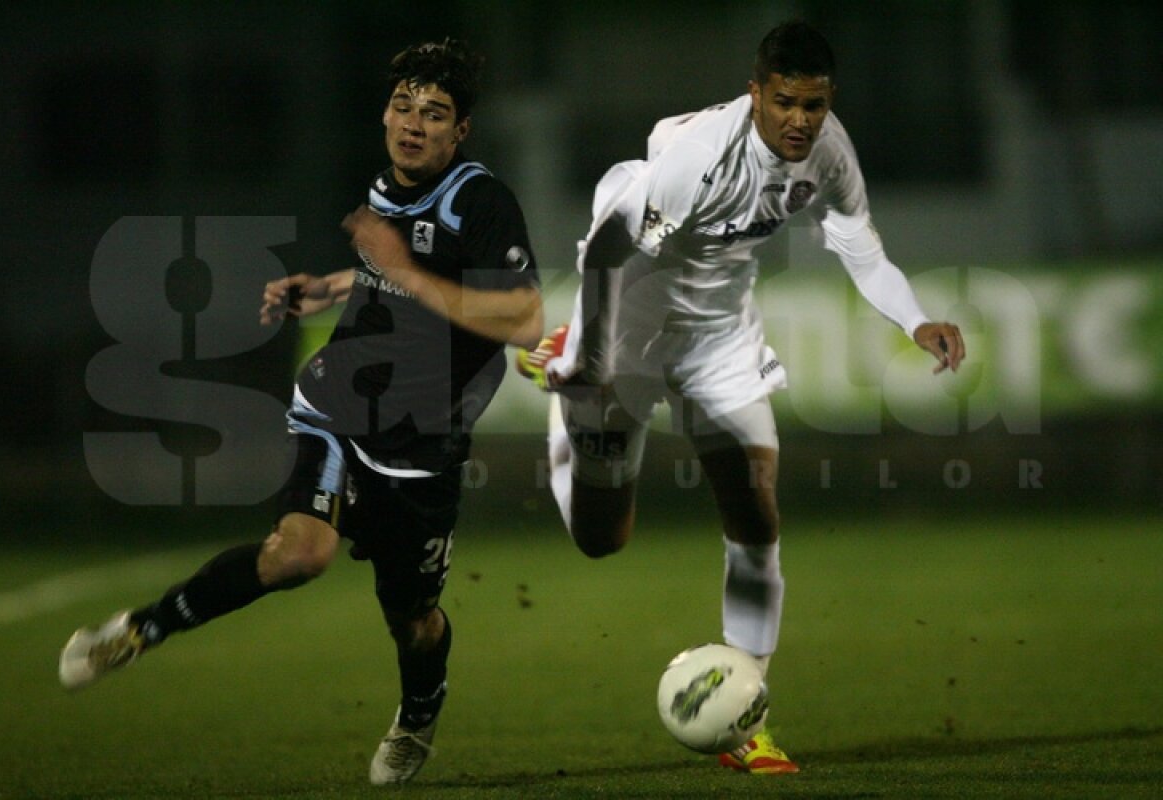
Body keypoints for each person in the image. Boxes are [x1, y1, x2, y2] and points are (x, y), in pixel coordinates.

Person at [59, 39, 544, 787]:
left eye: (436, 114)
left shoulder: (480, 200)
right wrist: (337, 285)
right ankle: (141, 627)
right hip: (339, 406)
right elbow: (399, 270)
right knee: (298, 554)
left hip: (423, 449)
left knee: (413, 620)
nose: (414, 124)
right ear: (386, 113)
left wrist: (403, 274)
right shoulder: (388, 183)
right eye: (404, 107)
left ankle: (418, 714)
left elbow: (520, 318)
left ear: (462, 132)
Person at [517, 20, 964, 774]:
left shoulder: (828, 151)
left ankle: (747, 717)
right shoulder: (697, 160)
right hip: (629, 334)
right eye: (785, 102)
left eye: (814, 105)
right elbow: (606, 249)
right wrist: (590, 356)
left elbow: (861, 245)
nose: (799, 120)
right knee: (601, 539)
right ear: (756, 93)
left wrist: (916, 319)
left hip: (721, 341)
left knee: (756, 516)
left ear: (828, 100)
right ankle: (571, 391)